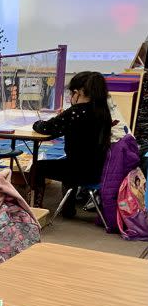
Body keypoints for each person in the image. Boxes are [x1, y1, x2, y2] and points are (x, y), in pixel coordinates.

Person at [32, 71, 112, 213]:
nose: (70, 97)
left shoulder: (75, 112)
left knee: (38, 167)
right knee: (68, 162)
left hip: (79, 170)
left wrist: (37, 123)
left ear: (79, 92)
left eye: (72, 93)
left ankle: (36, 208)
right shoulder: (103, 111)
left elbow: (46, 128)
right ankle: (68, 208)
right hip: (98, 169)